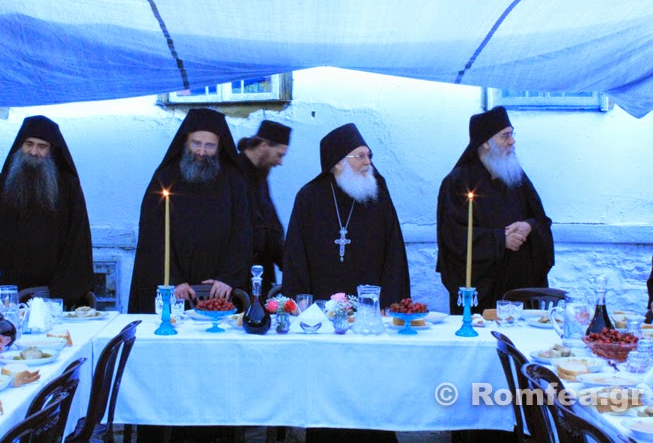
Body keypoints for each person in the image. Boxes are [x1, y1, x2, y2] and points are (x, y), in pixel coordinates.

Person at [129, 108, 251, 441]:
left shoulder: (233, 180)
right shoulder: (165, 176)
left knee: (215, 377)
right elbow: (152, 234)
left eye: (209, 146)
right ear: (185, 142)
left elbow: (244, 233)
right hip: (177, 295)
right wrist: (173, 281)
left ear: (219, 147)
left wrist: (228, 277)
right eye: (196, 143)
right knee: (169, 376)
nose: (201, 152)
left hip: (218, 299)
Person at [283, 123, 408, 442]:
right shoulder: (309, 197)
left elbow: (394, 252)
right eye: (360, 156)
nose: (368, 162)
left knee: (371, 387)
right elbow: (295, 257)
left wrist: (391, 305)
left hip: (369, 316)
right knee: (328, 392)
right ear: (337, 162)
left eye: (369, 155)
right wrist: (302, 308)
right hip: (323, 318)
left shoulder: (377, 192)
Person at [0, 115, 95, 311]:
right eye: (29, 144)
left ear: (51, 151)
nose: (34, 152)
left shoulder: (68, 189)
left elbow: (78, 243)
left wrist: (59, 295)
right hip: (2, 299)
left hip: (50, 299)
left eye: (42, 146)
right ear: (19, 146)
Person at [436, 106, 554, 315]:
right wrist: (501, 240)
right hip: (483, 289)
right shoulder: (457, 181)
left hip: (518, 285)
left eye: (512, 134)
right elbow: (452, 236)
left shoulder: (515, 176)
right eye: (505, 136)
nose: (512, 141)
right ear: (485, 142)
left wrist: (528, 226)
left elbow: (541, 220)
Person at [237, 120, 291, 297]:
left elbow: (270, 223)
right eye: (279, 154)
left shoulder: (261, 173)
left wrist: (289, 263)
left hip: (262, 272)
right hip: (239, 274)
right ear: (264, 145)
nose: (281, 162)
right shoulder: (234, 172)